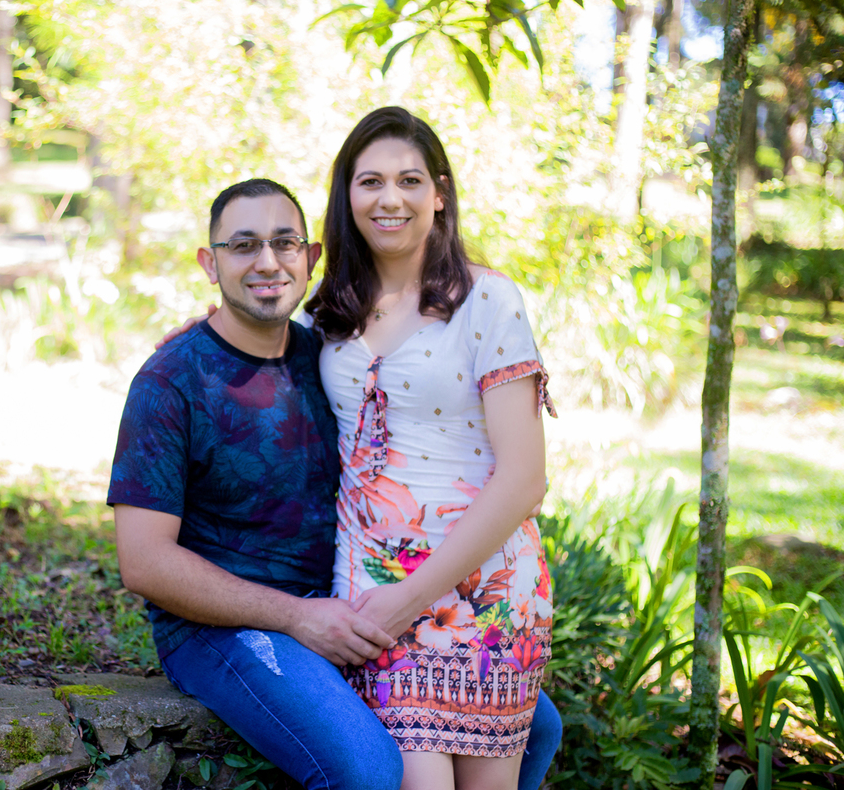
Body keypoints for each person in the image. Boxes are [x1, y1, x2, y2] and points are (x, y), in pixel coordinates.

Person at [111, 175, 561, 790]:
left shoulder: (327, 353)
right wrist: (297, 617)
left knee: (537, 725)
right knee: (369, 770)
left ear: (311, 258)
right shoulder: (169, 382)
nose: (267, 262)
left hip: (345, 602)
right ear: (209, 264)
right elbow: (143, 562)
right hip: (222, 628)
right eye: (242, 246)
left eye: (285, 243)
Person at [304, 106, 558, 790]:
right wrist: (201, 333)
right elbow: (252, 333)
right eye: (370, 182)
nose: (390, 198)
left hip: (490, 592)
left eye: (409, 180)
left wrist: (411, 597)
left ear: (439, 193)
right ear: (347, 195)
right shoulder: (328, 309)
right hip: (370, 596)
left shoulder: (489, 302)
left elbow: (524, 478)